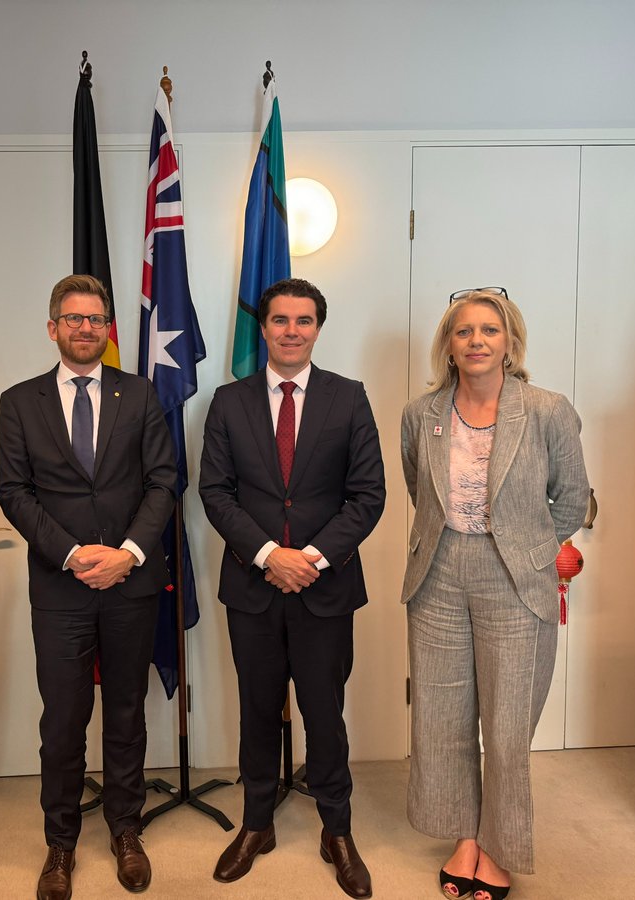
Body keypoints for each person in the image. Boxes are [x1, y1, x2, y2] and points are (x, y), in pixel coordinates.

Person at [199, 278, 385, 899]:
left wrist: (308, 558)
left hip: (323, 588)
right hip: (252, 588)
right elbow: (215, 493)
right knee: (257, 711)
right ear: (265, 327)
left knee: (324, 716)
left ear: (318, 328)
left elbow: (368, 496)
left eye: (304, 321)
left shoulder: (350, 398)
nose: (291, 330)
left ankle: (337, 830)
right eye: (280, 320)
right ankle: (257, 824)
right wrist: (266, 555)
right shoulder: (227, 402)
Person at [400, 288, 589, 900]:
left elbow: (574, 497)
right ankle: (463, 837)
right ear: (448, 346)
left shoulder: (546, 410)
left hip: (515, 578)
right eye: (463, 331)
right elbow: (419, 488)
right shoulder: (420, 413)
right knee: (443, 719)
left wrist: (532, 548)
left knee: (507, 727)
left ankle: (500, 849)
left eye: (489, 330)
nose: (476, 340)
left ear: (510, 342)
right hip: (438, 574)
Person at [0, 274, 176, 900]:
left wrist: (127, 553)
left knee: (126, 714)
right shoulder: (20, 401)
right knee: (64, 721)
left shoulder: (142, 395)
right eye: (72, 318)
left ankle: (127, 828)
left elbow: (163, 482)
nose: (84, 328)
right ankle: (61, 842)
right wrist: (72, 554)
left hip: (131, 583)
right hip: (61, 586)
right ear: (53, 328)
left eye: (96, 319)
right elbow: (12, 492)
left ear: (109, 329)